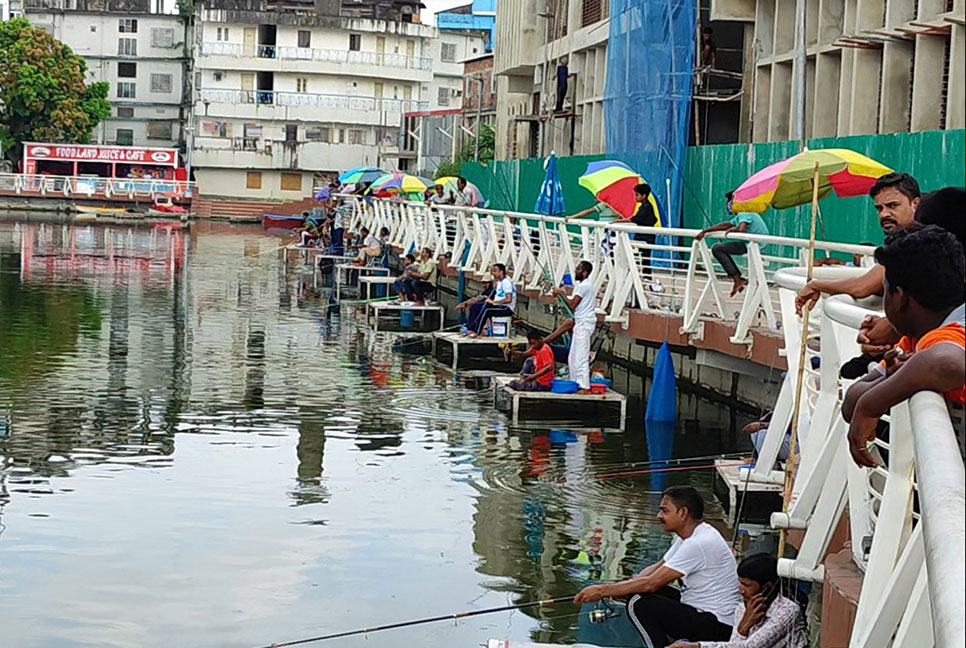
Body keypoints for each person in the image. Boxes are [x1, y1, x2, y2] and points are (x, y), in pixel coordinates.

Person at [842, 226, 965, 467]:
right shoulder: (913, 340)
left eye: (884, 290)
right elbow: (851, 403)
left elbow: (947, 363)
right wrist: (889, 378)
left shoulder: (946, 335)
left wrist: (871, 405)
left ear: (899, 296)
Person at [574, 486, 740, 648]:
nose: (658, 515)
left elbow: (651, 583)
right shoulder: (691, 535)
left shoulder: (698, 543)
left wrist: (603, 590)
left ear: (683, 513)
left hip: (717, 624)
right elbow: (656, 568)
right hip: (699, 611)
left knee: (638, 603)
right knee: (637, 593)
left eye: (665, 511)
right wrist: (623, 588)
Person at [795, 172, 921, 316]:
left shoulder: (916, 243)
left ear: (915, 204)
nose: (884, 214)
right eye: (879, 208)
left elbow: (862, 287)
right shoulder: (920, 238)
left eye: (893, 205)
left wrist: (817, 285)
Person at [669, 553, 807, 648]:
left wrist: (744, 627)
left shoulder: (787, 611)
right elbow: (734, 644)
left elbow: (749, 646)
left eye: (746, 585)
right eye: (740, 584)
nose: (740, 591)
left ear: (767, 587)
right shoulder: (742, 608)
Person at [696, 192, 770, 297]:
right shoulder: (742, 214)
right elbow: (726, 225)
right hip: (752, 245)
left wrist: (733, 229)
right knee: (719, 248)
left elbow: (741, 229)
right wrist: (706, 231)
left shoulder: (744, 212)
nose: (727, 206)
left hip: (755, 246)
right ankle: (737, 279)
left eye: (728, 203)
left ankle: (737, 279)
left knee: (717, 249)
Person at [552, 260, 597, 393]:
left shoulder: (585, 286)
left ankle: (584, 386)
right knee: (572, 357)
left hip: (584, 324)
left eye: (578, 269)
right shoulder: (582, 286)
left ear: (584, 272)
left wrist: (561, 293)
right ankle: (574, 382)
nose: (576, 271)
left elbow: (572, 305)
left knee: (581, 356)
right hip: (579, 322)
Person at [469, 263, 516, 337]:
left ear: (501, 272)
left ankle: (477, 331)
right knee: (476, 306)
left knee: (487, 310)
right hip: (499, 305)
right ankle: (471, 328)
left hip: (506, 308)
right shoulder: (499, 282)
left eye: (495, 271)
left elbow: (508, 299)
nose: (493, 274)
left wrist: (494, 302)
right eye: (492, 271)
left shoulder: (506, 282)